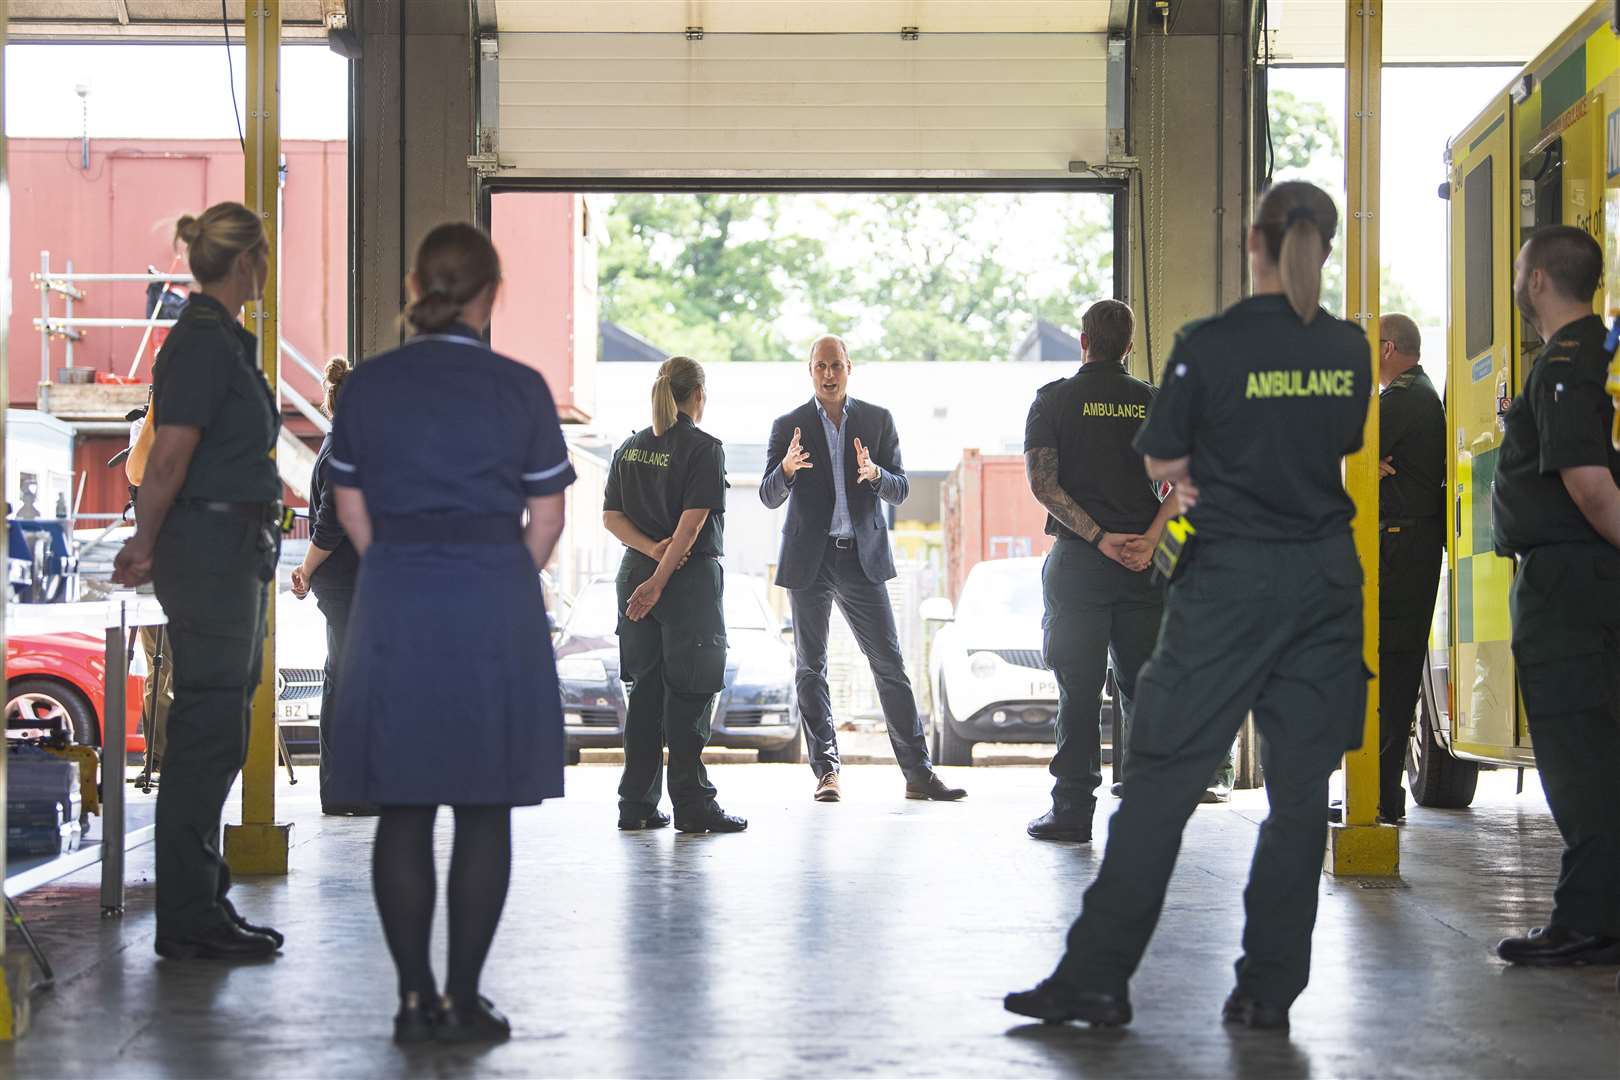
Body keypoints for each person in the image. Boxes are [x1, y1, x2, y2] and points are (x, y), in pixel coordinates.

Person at [1005, 180, 1372, 1031]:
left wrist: (1196, 475)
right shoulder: (1351, 350)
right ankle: (1266, 992)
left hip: (1231, 578)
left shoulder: (1207, 346)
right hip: (1324, 583)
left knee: (1162, 777)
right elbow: (1338, 441)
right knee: (1297, 795)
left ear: (1255, 244)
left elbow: (1160, 463)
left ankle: (1097, 976)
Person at [326, 223, 574, 1043]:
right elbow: (547, 516)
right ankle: (464, 1000)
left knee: (402, 807)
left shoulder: (367, 387)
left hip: (395, 598)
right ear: (490, 291)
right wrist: (500, 573)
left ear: (411, 286)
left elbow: (351, 510)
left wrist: (398, 566)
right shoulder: (521, 388)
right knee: (482, 805)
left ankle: (410, 1001)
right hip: (491, 603)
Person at [111, 202, 285, 962]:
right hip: (209, 548)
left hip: (233, 546)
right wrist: (143, 543)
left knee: (220, 725)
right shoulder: (202, 344)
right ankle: (186, 915)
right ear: (249, 263)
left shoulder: (223, 341)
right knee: (209, 729)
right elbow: (172, 456)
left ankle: (203, 900)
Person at [1490, 225, 1620, 969]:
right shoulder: (1600, 353)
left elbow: (1591, 487)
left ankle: (1591, 920)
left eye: (1517, 269)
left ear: (1537, 280)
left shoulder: (1567, 361)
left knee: (1579, 752)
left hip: (1570, 579)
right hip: (1590, 574)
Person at [761, 335, 966, 804]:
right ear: (809, 371)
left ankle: (918, 774)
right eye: (819, 366)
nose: (828, 374)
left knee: (890, 666)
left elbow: (901, 490)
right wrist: (788, 469)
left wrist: (874, 473)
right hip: (809, 562)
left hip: (861, 559)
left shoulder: (877, 420)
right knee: (810, 669)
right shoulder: (787, 425)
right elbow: (768, 495)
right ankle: (826, 772)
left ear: (849, 368)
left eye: (835, 365)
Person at [1022, 299, 1176, 842]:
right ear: (1130, 347)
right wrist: (1151, 538)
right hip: (1142, 562)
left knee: (1079, 690)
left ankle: (1071, 813)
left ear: (1084, 341)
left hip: (1081, 564)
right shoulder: (1154, 403)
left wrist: (1097, 537)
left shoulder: (1053, 402)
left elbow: (1044, 485)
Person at [602, 356, 746, 835]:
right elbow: (691, 525)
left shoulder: (631, 447)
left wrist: (647, 556)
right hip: (684, 587)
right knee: (689, 692)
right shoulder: (704, 448)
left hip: (635, 576)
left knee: (644, 694)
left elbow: (612, 517)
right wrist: (661, 576)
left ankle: (636, 805)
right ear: (698, 395)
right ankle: (692, 804)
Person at [290, 357, 374, 817]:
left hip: (351, 581)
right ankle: (346, 792)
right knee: (347, 681)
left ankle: (352, 788)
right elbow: (333, 521)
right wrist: (305, 569)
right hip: (348, 582)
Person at [1373, 313, 1445, 824]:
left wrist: (1356, 460)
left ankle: (1381, 795)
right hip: (1407, 547)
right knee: (1392, 670)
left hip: (1402, 547)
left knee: (1392, 671)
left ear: (1389, 348)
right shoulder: (1414, 394)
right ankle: (1380, 792)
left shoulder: (1401, 399)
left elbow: (1340, 445)